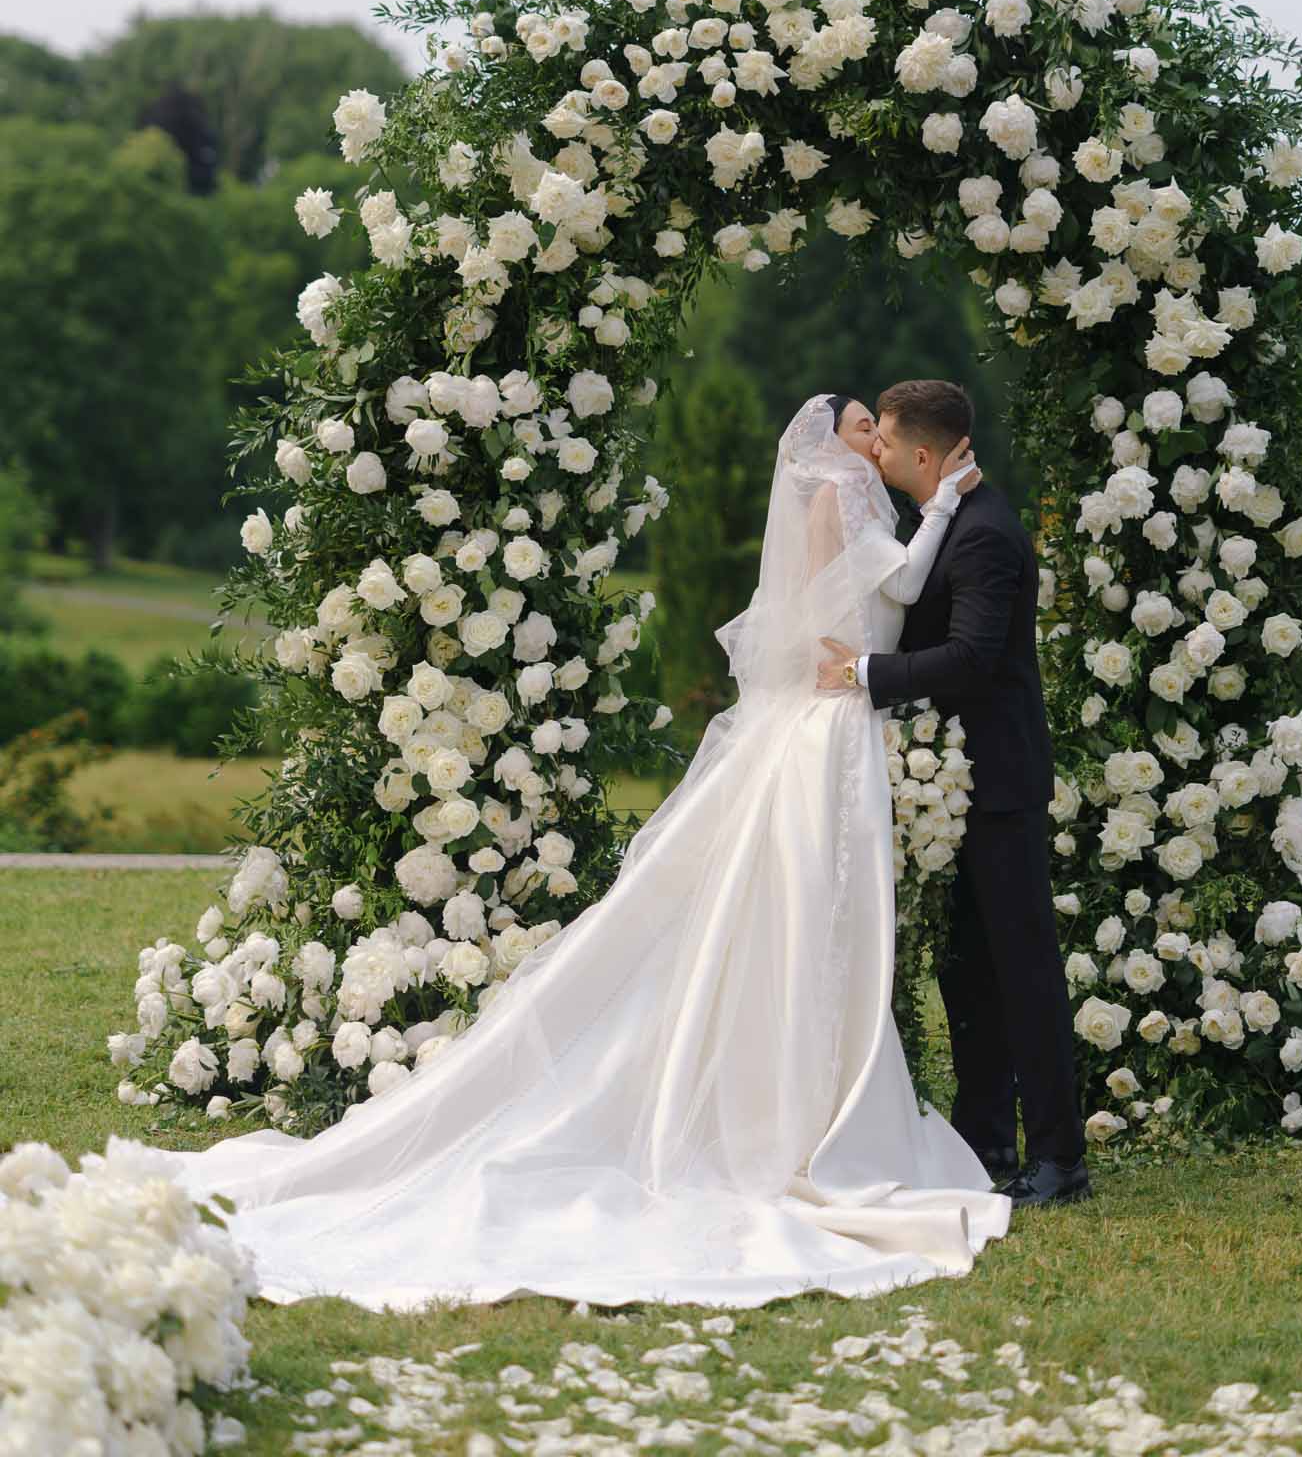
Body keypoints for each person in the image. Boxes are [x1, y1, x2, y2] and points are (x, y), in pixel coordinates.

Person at [120, 394, 1009, 1312]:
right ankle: (799, 1115)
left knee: (819, 911)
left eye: (880, 428)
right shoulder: (845, 500)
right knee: (802, 905)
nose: (874, 438)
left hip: (845, 720)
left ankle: (820, 1100)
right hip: (832, 721)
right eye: (861, 426)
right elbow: (894, 591)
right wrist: (941, 507)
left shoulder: (868, 500)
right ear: (835, 448)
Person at [816, 379, 1087, 1208]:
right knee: (967, 969)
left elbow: (971, 657)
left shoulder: (986, 533)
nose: (876, 452)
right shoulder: (944, 523)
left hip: (997, 783)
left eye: (887, 442)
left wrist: (862, 675)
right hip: (958, 783)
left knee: (1024, 969)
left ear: (923, 455)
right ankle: (982, 1140)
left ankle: (1058, 1159)